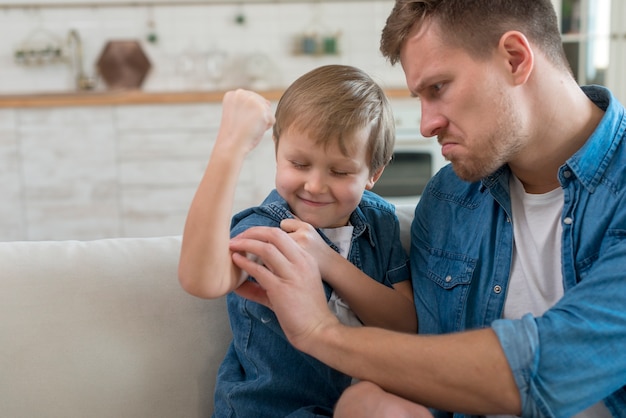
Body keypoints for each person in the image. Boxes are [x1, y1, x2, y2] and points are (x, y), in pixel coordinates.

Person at [227, 0, 626, 417]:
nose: (425, 125)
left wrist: (319, 331)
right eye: (419, 96)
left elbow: (547, 369)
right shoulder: (449, 200)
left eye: (438, 88)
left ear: (514, 58)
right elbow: (425, 369)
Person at [178, 64, 416, 417]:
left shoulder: (379, 222)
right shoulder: (267, 229)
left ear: (374, 174)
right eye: (299, 164)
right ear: (277, 151)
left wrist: (327, 260)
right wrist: (231, 149)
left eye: (339, 171)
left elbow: (404, 324)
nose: (315, 185)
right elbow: (201, 279)